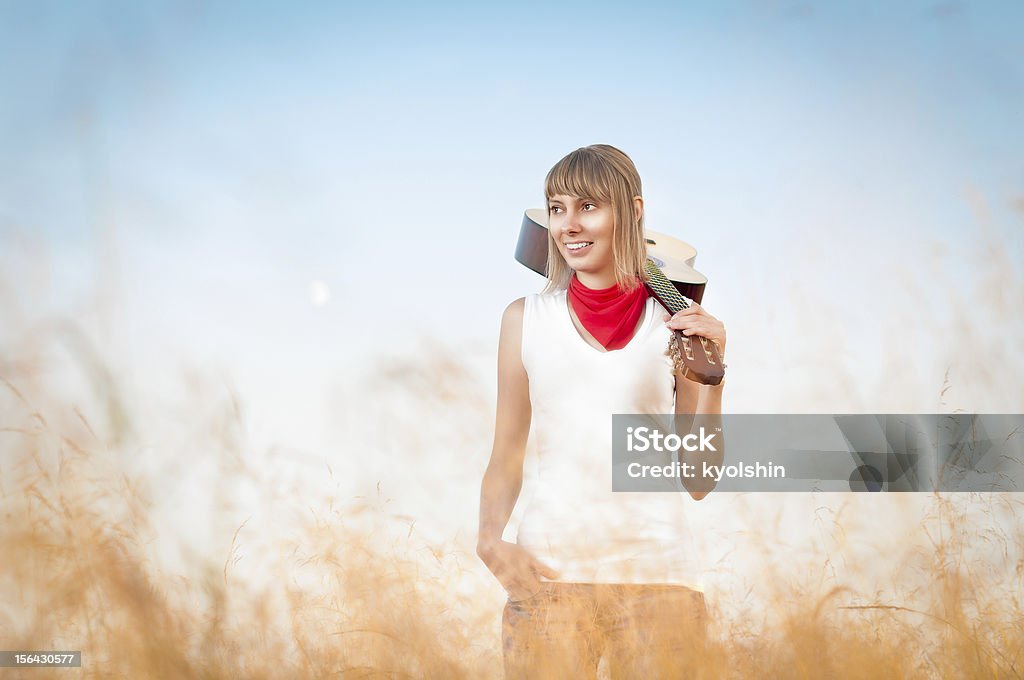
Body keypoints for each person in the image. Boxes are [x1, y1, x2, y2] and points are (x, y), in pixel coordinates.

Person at [476, 144, 727, 679]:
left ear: (632, 212)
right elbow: (507, 450)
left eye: (588, 207)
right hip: (549, 581)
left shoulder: (676, 326)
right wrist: (490, 541)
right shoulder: (524, 320)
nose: (568, 224)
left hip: (662, 581)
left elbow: (700, 479)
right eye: (558, 207)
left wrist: (714, 379)